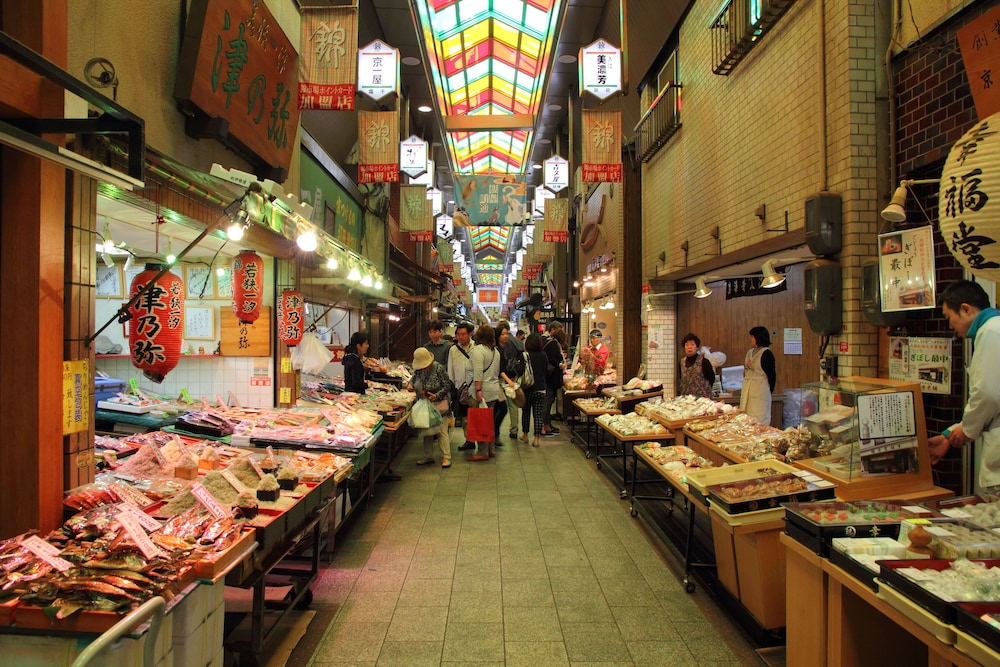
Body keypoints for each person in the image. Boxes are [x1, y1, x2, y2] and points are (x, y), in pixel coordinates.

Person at [928, 280, 1000, 492]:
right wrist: (951, 434)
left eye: (949, 317)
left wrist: (966, 430)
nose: (950, 326)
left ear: (966, 309)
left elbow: (988, 394)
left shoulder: (991, 331)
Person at [409, 348, 453, 468]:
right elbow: (413, 380)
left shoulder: (438, 368)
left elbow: (447, 385)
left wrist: (436, 395)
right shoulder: (418, 371)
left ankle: (446, 457)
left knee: (442, 431)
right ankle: (428, 456)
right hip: (425, 404)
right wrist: (410, 385)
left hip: (439, 404)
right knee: (427, 431)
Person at [469, 324, 502, 461]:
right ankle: (491, 449)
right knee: (489, 420)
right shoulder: (496, 352)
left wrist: (478, 390)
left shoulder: (478, 351)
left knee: (480, 421)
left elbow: (478, 373)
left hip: (482, 391)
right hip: (493, 389)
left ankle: (482, 451)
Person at [447, 321, 476, 451]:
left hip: (474, 387)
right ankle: (469, 440)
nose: (460, 337)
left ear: (470, 334)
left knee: (475, 415)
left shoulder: (476, 348)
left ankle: (479, 438)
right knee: (465, 417)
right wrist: (453, 386)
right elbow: (450, 369)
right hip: (460, 389)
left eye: (463, 334)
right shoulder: (453, 350)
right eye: (458, 334)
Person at [740, 326, 776, 425]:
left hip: (760, 390)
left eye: (752, 337)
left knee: (759, 419)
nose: (750, 339)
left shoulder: (767, 354)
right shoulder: (749, 352)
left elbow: (772, 376)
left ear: (759, 337)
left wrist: (768, 390)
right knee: (746, 419)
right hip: (748, 389)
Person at [520, 333, 550, 447]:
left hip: (528, 388)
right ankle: (537, 438)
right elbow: (546, 371)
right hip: (541, 388)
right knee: (538, 414)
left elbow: (520, 371)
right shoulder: (543, 355)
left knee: (526, 412)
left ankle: (525, 435)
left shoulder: (525, 355)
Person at [501, 319, 525, 438]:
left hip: (503, 376)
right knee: (513, 404)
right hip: (515, 375)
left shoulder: (501, 343)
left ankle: (495, 431)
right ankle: (514, 430)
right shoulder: (518, 342)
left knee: (499, 405)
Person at [542, 327, 567, 436]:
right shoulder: (553, 344)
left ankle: (547, 424)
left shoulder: (553, 343)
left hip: (550, 378)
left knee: (549, 401)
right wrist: (560, 364)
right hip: (550, 378)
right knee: (547, 402)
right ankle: (544, 426)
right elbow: (551, 359)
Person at [677, 332, 715, 398]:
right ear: (684, 347)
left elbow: (712, 378)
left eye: (692, 344)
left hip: (703, 399)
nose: (689, 347)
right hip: (686, 399)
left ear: (697, 347)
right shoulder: (681, 362)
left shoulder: (704, 362)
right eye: (687, 345)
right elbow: (681, 379)